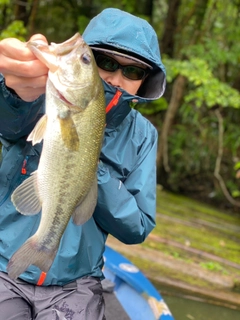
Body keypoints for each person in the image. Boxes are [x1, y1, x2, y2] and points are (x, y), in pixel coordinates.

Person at [0, 7, 166, 320]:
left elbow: (138, 226)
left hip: (76, 285)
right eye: (104, 62)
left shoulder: (143, 136)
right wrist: (10, 88)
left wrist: (92, 170)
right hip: (3, 266)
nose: (117, 78)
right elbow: (8, 120)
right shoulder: (41, 95)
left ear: (145, 80)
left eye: (133, 72)